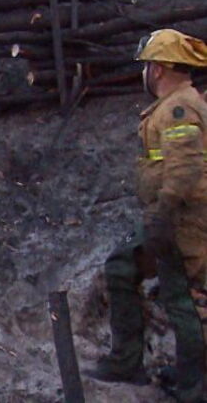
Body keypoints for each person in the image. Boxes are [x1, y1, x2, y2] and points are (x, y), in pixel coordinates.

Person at [88, 28, 207, 402]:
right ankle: (127, 362)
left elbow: (186, 167)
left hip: (181, 217)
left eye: (146, 66)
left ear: (156, 68)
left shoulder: (179, 107)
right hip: (167, 213)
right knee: (122, 266)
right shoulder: (176, 104)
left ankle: (194, 387)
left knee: (182, 299)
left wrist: (165, 214)